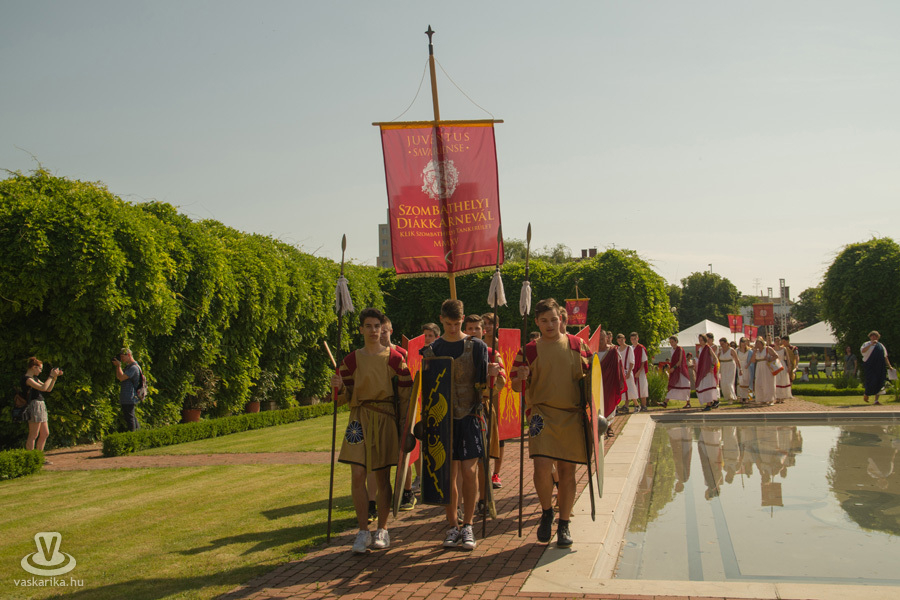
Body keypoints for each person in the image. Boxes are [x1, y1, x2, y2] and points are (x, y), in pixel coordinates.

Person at [331, 307, 412, 554]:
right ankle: (363, 531)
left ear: (382, 328)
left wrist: (405, 427)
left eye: (377, 326)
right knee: (357, 474)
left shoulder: (395, 359)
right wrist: (338, 388)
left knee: (382, 476)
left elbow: (406, 395)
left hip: (385, 418)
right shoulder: (350, 361)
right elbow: (341, 399)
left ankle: (383, 529)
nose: (373, 331)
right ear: (361, 330)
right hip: (358, 419)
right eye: (368, 326)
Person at [512, 298, 590, 548]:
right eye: (544, 320)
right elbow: (515, 386)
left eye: (554, 319)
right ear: (536, 322)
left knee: (567, 472)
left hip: (571, 414)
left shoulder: (577, 345)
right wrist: (521, 377)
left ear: (561, 319)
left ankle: (564, 523)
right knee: (542, 467)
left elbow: (592, 380)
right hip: (541, 414)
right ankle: (547, 511)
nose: (549, 324)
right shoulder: (529, 350)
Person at [425, 299, 497, 551]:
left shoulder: (477, 346)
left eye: (457, 323)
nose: (453, 328)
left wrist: (492, 375)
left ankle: (468, 524)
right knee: (448, 475)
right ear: (441, 320)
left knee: (469, 471)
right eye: (448, 324)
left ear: (463, 319)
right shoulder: (433, 349)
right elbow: (428, 388)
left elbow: (486, 386)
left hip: (470, 415)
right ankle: (452, 525)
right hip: (443, 419)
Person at [465, 313, 507, 512]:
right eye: (470, 328)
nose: (473, 332)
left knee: (483, 458)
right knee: (463, 461)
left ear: (483, 331)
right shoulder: (458, 351)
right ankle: (463, 503)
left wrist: (490, 381)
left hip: (482, 408)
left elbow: (502, 380)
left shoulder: (492, 353)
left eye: (477, 328)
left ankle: (483, 498)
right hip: (461, 410)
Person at [482, 312, 506, 490]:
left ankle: (496, 472)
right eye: (485, 324)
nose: (487, 327)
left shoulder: (502, 345)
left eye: (490, 323)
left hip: (499, 394)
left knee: (500, 434)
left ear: (496, 325)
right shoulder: (478, 345)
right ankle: (483, 471)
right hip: (483, 394)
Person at [22, 357, 62, 455]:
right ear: (34, 367)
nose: (40, 371)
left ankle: (39, 456)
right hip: (34, 405)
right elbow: (43, 388)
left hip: (41, 404)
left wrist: (54, 378)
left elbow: (48, 389)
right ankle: (31, 457)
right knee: (33, 434)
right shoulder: (27, 379)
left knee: (45, 433)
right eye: (40, 368)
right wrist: (51, 376)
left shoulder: (35, 378)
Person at [113, 348, 142, 431]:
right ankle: (138, 433)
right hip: (126, 396)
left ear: (129, 355)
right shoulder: (128, 367)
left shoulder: (134, 368)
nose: (122, 359)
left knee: (130, 419)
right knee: (131, 417)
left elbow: (122, 377)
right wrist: (118, 367)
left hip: (130, 396)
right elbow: (119, 377)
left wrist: (119, 366)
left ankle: (132, 436)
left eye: (123, 357)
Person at [861, 331, 892, 405]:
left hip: (879, 366)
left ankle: (876, 400)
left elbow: (885, 357)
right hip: (870, 366)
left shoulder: (881, 346)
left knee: (879, 382)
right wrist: (871, 344)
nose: (874, 337)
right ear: (870, 337)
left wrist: (889, 366)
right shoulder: (866, 344)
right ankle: (866, 394)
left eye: (875, 336)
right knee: (870, 381)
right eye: (872, 336)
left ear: (878, 337)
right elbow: (863, 351)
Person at [695, 334, 720, 411]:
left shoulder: (708, 347)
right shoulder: (700, 349)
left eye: (701, 340)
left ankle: (709, 404)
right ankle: (713, 401)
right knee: (703, 386)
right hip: (702, 370)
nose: (700, 341)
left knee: (707, 386)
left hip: (708, 371)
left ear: (705, 340)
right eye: (699, 340)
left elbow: (714, 358)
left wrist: (712, 367)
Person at [664, 336, 691, 408]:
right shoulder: (671, 350)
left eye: (672, 342)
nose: (671, 344)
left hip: (681, 370)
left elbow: (680, 361)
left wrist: (674, 368)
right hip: (675, 371)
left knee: (685, 385)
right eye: (670, 342)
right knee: (672, 384)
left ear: (676, 341)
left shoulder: (680, 349)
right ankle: (665, 402)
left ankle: (688, 403)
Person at [615, 334, 639, 411]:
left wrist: (629, 372)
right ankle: (623, 406)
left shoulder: (629, 348)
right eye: (619, 340)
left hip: (627, 371)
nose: (620, 342)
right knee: (621, 389)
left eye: (621, 340)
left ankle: (637, 405)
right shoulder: (617, 349)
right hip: (620, 372)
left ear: (624, 339)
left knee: (631, 388)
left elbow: (632, 361)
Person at [751, 337, 778, 405]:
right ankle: (762, 399)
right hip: (759, 367)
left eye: (758, 343)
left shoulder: (767, 349)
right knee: (759, 383)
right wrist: (754, 352)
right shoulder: (756, 351)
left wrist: (769, 359)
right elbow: (753, 361)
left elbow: (776, 356)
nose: (757, 345)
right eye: (756, 343)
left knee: (768, 383)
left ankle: (771, 399)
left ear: (762, 343)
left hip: (767, 367)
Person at [630, 332, 650, 412]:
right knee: (633, 387)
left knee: (642, 387)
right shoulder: (630, 348)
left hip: (640, 371)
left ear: (637, 339)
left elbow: (643, 361)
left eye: (635, 339)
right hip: (633, 370)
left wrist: (639, 371)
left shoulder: (641, 348)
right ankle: (637, 405)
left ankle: (644, 405)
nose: (633, 341)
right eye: (632, 339)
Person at [717, 337, 740, 403]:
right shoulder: (720, 351)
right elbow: (717, 359)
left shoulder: (731, 350)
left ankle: (731, 398)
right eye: (721, 344)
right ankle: (727, 396)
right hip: (723, 367)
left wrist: (740, 369)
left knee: (729, 382)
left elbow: (737, 359)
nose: (722, 345)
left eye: (723, 344)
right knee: (723, 383)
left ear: (726, 343)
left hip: (730, 366)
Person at [773, 338, 792, 403]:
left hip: (782, 364)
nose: (777, 342)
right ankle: (777, 397)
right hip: (776, 365)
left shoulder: (784, 349)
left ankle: (783, 397)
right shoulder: (773, 349)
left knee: (783, 380)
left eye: (778, 341)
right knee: (777, 380)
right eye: (776, 341)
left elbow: (787, 358)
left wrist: (789, 366)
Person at [736, 337, 752, 403]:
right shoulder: (737, 350)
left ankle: (747, 397)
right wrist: (739, 367)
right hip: (740, 366)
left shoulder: (749, 350)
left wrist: (748, 365)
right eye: (742, 342)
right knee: (741, 381)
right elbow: (736, 359)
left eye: (745, 342)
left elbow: (751, 359)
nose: (743, 344)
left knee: (747, 381)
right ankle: (741, 397)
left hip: (747, 366)